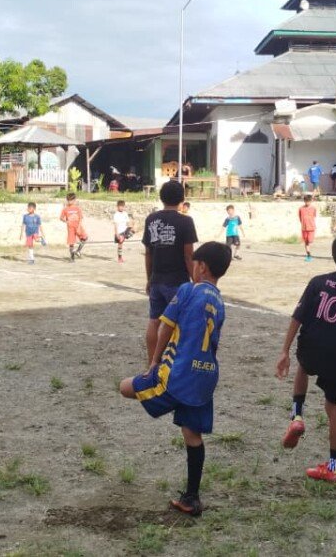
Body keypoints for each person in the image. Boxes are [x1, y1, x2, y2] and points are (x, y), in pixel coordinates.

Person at [119, 242, 231, 517]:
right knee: (192, 434)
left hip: (178, 374)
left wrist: (154, 361)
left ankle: (165, 398)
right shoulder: (219, 302)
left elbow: (165, 327)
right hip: (205, 377)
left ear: (201, 267)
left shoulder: (188, 289)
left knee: (124, 387)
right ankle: (191, 498)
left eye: (194, 263)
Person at [276, 236, 336, 484]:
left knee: (303, 368)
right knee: (333, 408)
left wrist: (285, 350)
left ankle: (297, 416)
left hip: (310, 345)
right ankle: (334, 467)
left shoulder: (318, 282)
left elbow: (297, 317)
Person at [141, 181, 198, 369]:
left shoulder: (151, 219)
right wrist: (196, 281)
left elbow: (148, 253)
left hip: (157, 279)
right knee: (180, 324)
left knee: (154, 321)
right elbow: (188, 255)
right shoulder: (186, 221)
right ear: (182, 199)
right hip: (178, 282)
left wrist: (149, 279)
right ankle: (176, 364)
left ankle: (152, 364)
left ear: (161, 197)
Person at [60, 193, 88, 262]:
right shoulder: (65, 209)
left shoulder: (77, 208)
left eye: (71, 200)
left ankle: (78, 251)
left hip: (78, 226)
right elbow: (61, 218)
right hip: (70, 228)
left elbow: (80, 218)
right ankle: (72, 257)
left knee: (85, 238)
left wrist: (79, 227)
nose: (70, 201)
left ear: (74, 200)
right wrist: (66, 221)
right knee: (71, 242)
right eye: (68, 200)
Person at [299, 195, 317, 262]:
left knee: (310, 240)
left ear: (311, 201)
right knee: (306, 242)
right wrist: (303, 224)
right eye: (306, 201)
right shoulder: (301, 209)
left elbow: (314, 216)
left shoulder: (313, 208)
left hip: (311, 227)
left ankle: (309, 253)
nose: (307, 203)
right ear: (304, 201)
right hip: (304, 228)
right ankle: (309, 255)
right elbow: (300, 218)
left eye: (308, 201)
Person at [113, 200, 133, 264]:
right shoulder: (116, 215)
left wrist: (130, 227)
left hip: (125, 230)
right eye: (120, 206)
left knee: (134, 229)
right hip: (119, 231)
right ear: (117, 206)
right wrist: (117, 234)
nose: (121, 208)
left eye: (123, 206)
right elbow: (115, 225)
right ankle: (120, 258)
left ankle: (125, 237)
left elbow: (128, 222)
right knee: (120, 244)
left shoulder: (125, 213)